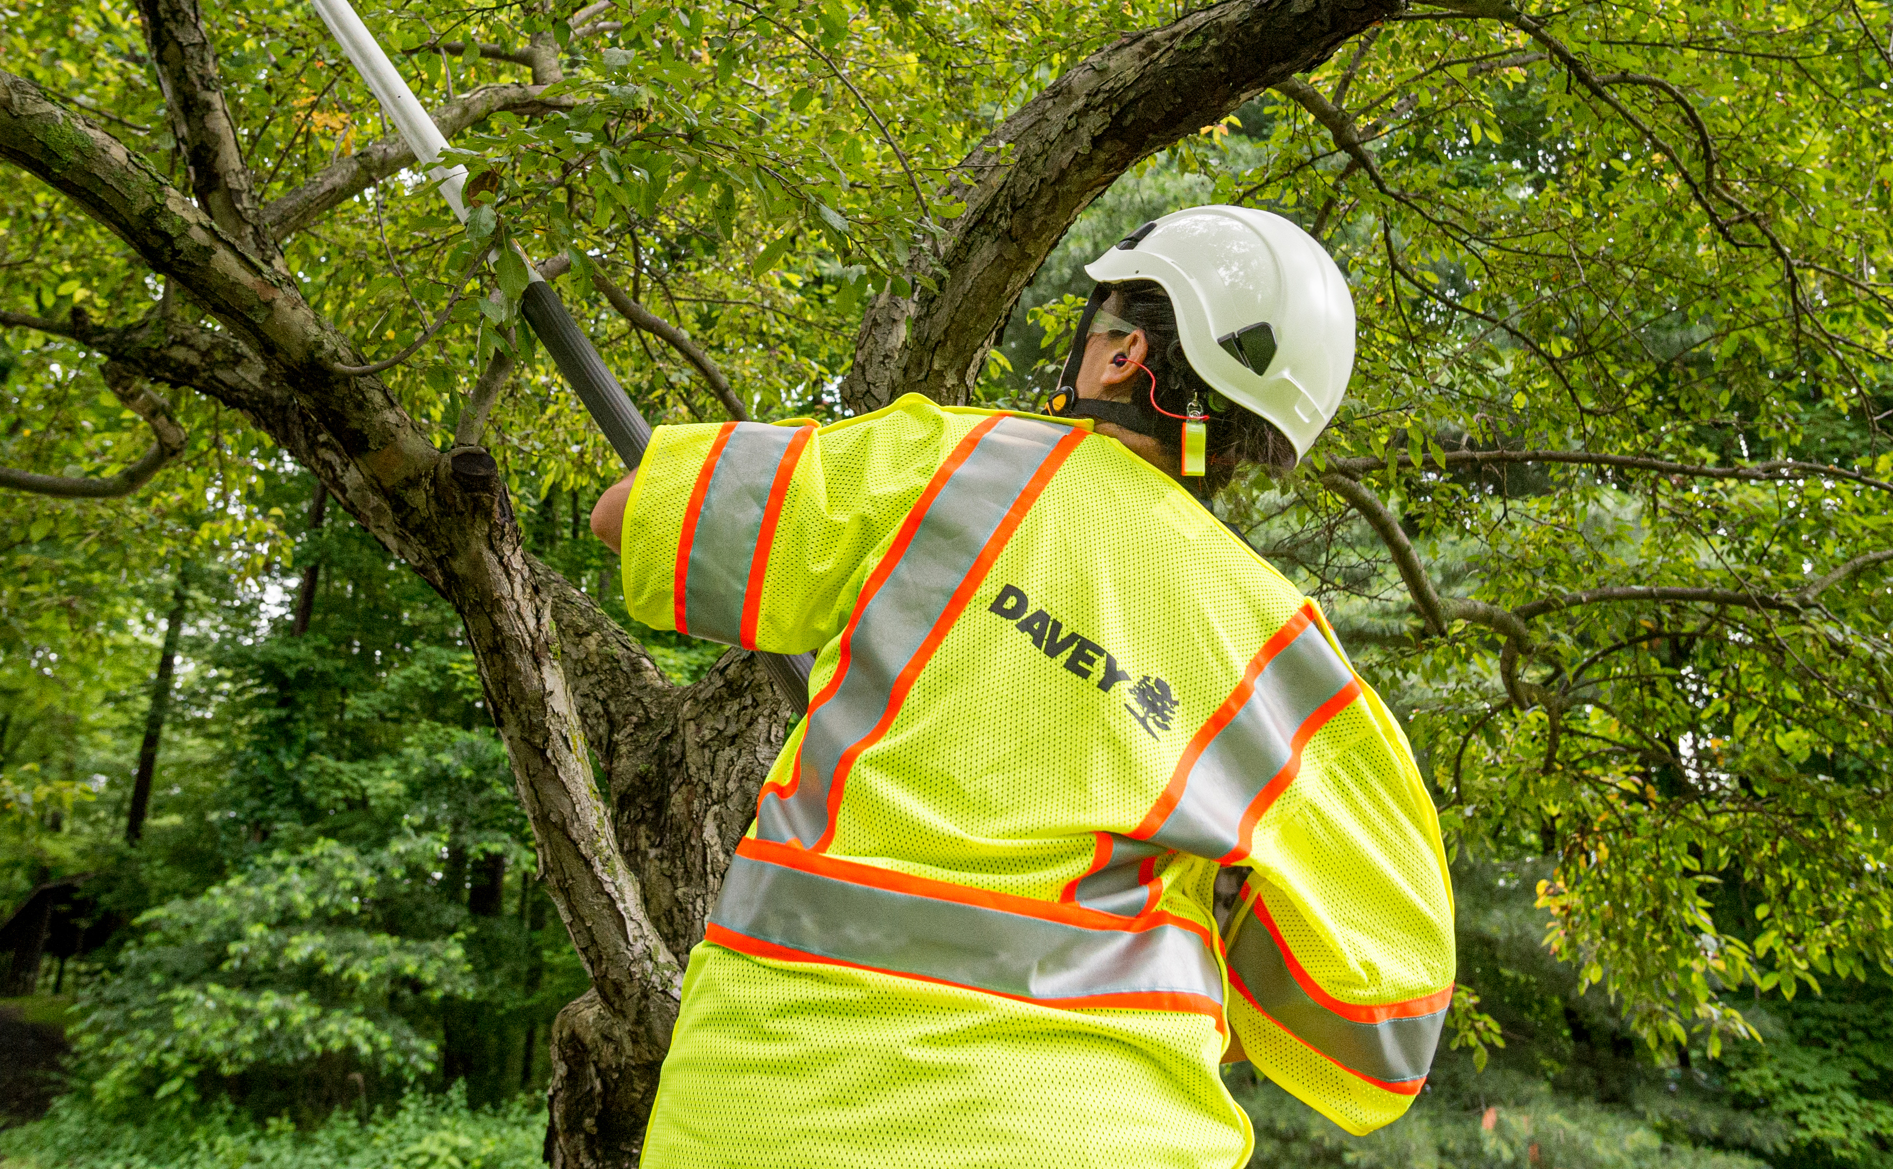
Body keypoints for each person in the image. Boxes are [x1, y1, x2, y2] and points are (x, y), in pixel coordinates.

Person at [589, 204, 1454, 1167]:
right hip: (1099, 1136)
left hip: (771, 1110)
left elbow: (628, 517)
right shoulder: (1281, 649)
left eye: (1101, 326)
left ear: (1125, 355)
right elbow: (1384, 1031)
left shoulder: (944, 463)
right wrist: (1223, 894)